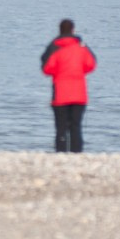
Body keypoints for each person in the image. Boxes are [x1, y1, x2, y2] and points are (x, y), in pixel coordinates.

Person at [41, 19, 96, 153]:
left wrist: (58, 73)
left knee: (61, 128)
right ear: (73, 30)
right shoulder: (82, 48)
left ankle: (61, 153)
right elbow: (91, 64)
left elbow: (47, 68)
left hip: (60, 93)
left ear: (59, 30)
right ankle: (77, 153)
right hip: (79, 94)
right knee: (76, 126)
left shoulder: (54, 47)